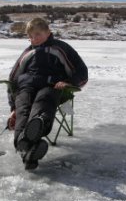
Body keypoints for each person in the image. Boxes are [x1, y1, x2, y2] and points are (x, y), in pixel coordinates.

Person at [7, 17, 88, 170]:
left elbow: (82, 72)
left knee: (43, 101)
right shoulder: (27, 52)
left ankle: (35, 129)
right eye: (30, 36)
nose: (33, 39)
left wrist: (70, 83)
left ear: (48, 32)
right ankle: (26, 148)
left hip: (52, 86)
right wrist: (12, 107)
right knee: (22, 107)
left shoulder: (61, 48)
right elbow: (13, 79)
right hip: (26, 87)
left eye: (37, 34)